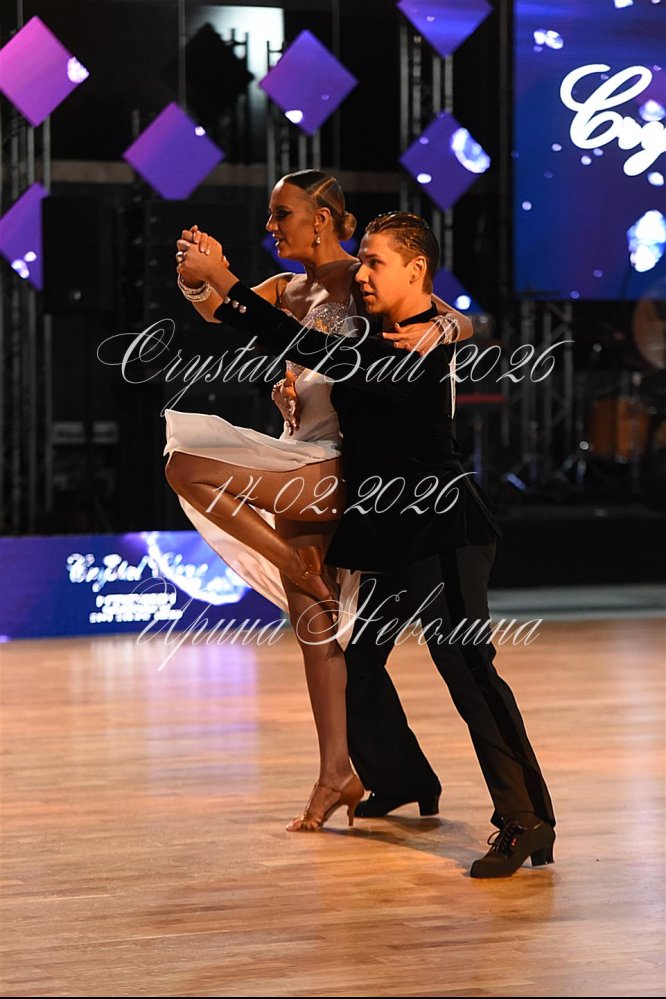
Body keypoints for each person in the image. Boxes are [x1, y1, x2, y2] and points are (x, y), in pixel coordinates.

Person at [177, 210, 557, 879]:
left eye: (376, 262)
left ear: (416, 270)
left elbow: (307, 341)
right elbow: (321, 346)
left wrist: (228, 284)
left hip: (441, 529)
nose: (363, 273)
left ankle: (525, 819)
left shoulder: (417, 345)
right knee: (356, 664)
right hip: (387, 535)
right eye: (364, 262)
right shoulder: (383, 333)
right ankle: (404, 777)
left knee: (467, 668)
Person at [165, 171, 470, 833]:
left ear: (322, 218)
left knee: (185, 462)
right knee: (315, 627)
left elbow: (450, 317)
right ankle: (337, 770)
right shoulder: (284, 287)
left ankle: (293, 565)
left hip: (336, 464)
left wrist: (446, 329)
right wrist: (194, 275)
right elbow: (217, 310)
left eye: (282, 214)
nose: (271, 227)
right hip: (293, 450)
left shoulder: (363, 278)